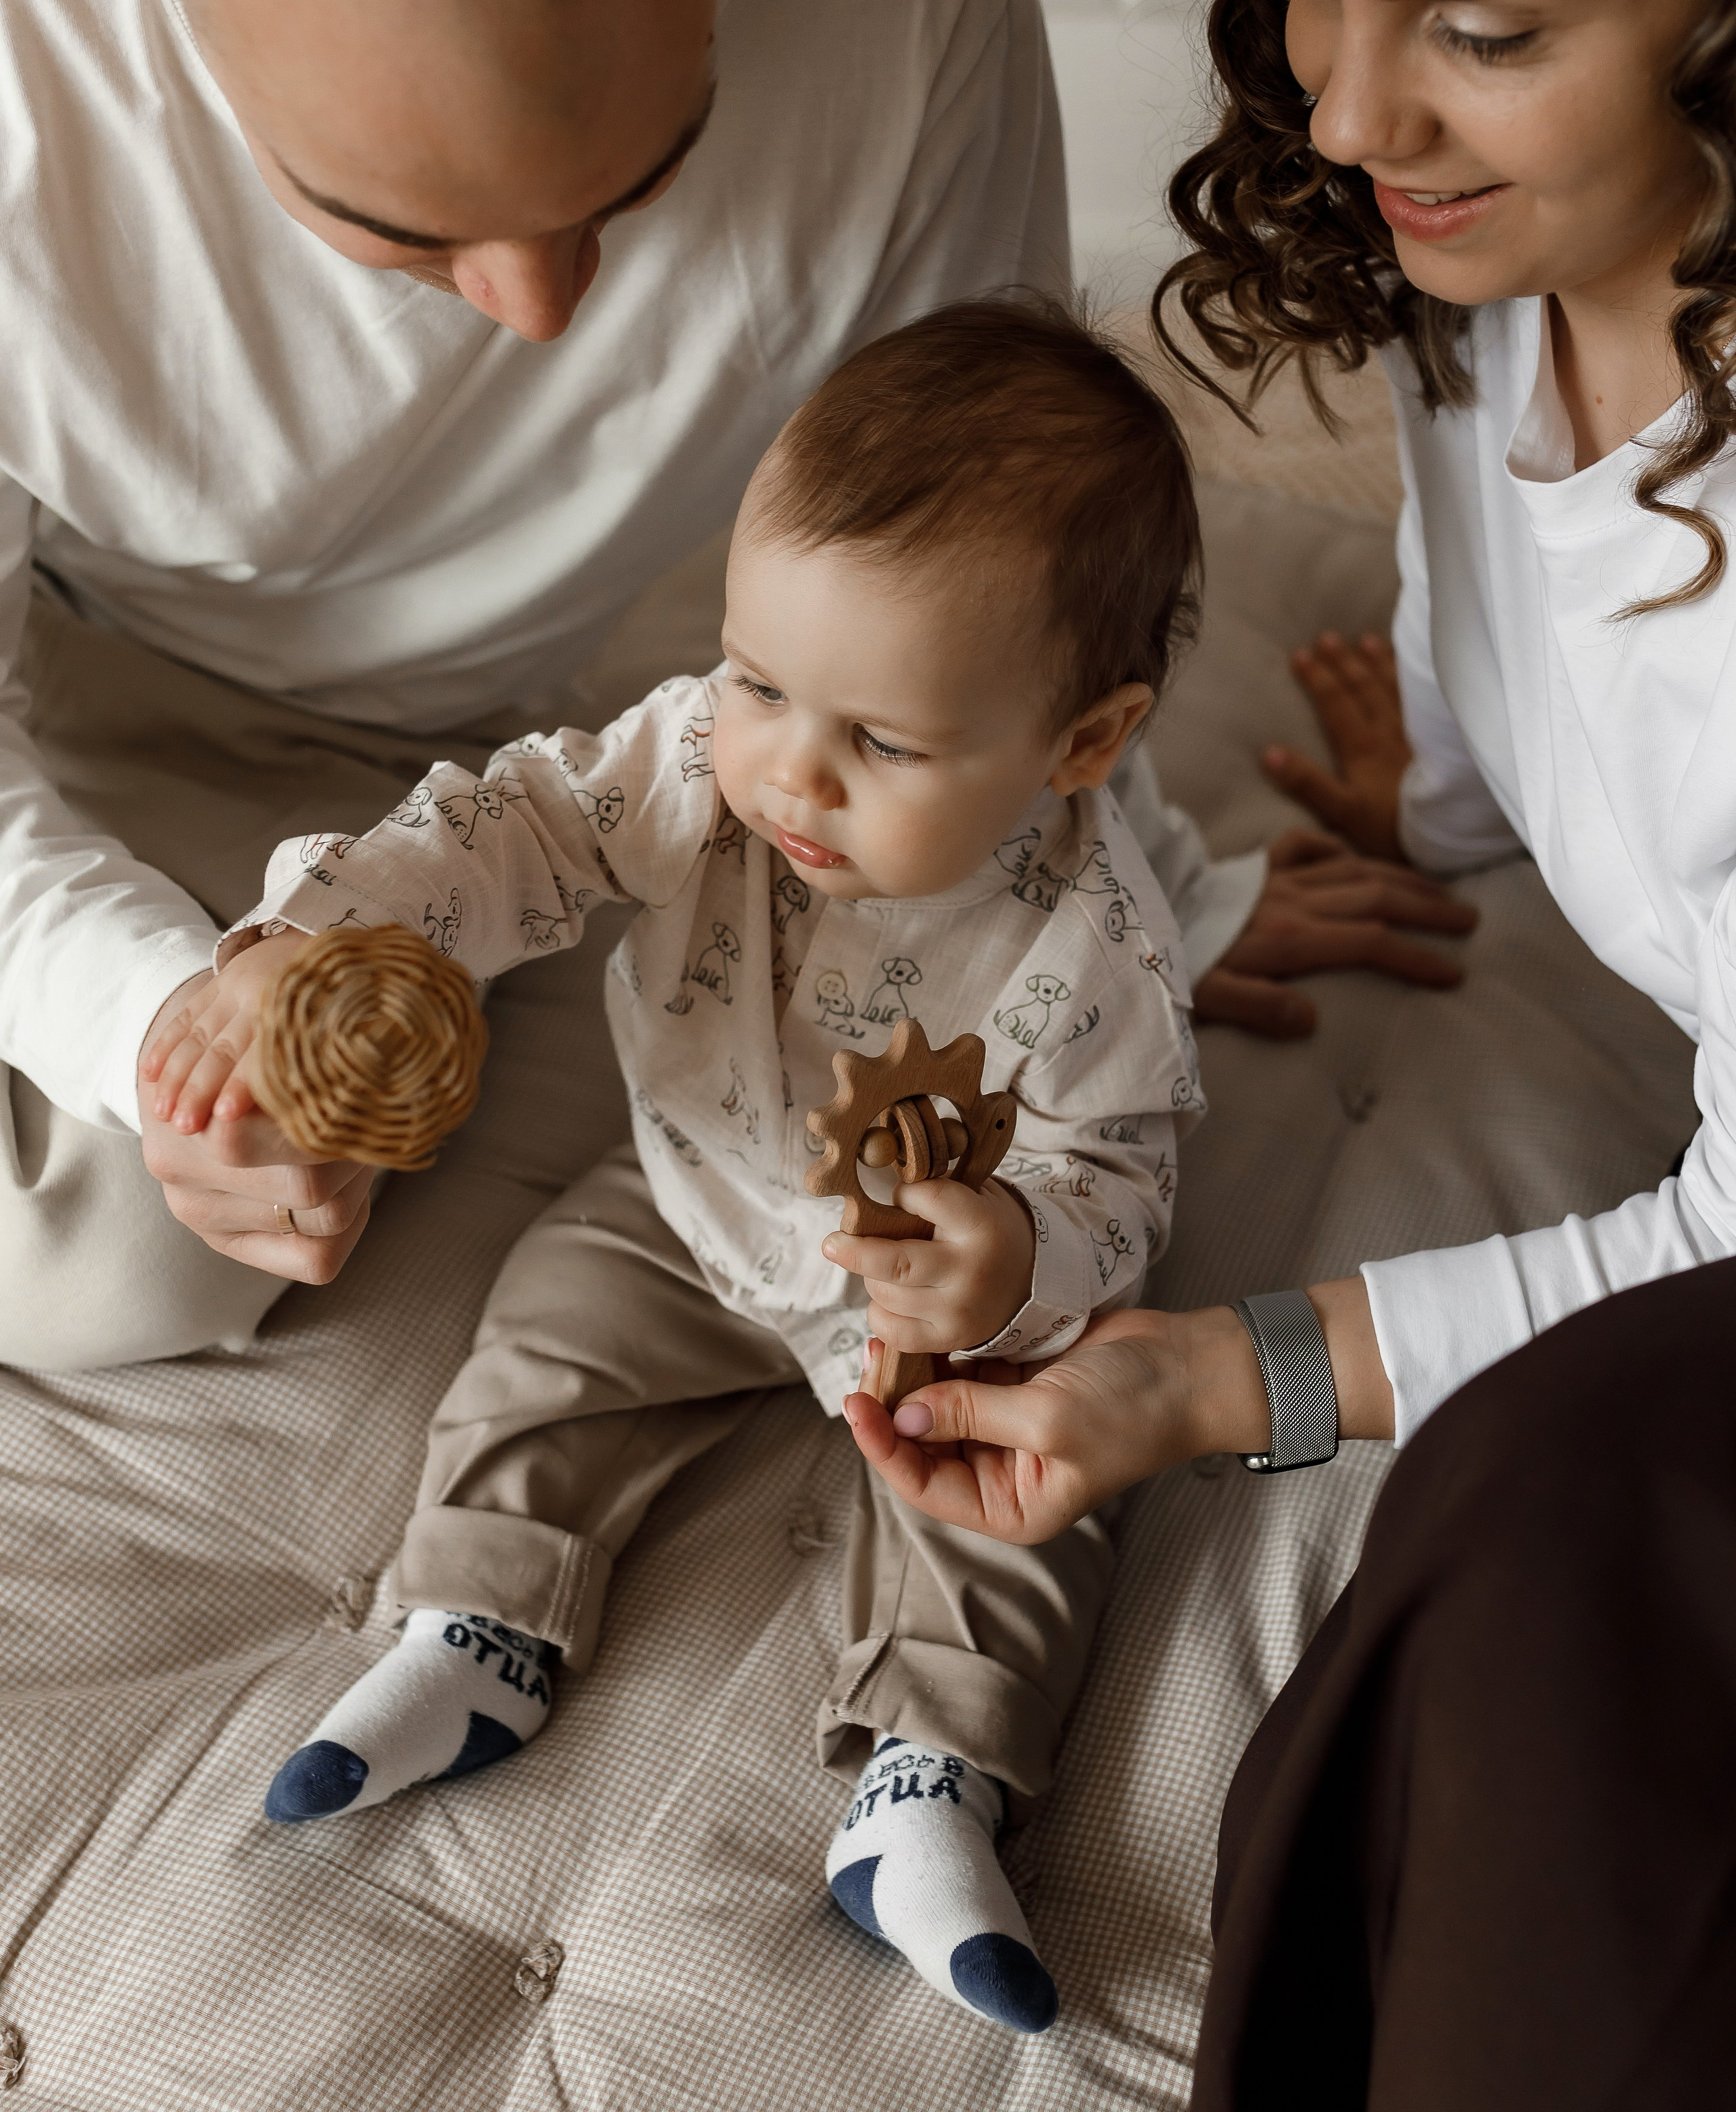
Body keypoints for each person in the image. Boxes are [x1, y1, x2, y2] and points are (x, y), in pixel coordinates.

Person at [0, 0, 1472, 1373]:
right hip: (80, 679)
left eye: (648, 166)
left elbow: (992, 563)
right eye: (391, 225)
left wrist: (1149, 890)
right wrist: (156, 1025)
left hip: (590, 713)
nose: (542, 313)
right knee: (125, 1263)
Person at [839, 0, 1736, 2092]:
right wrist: (1430, 789)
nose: (1342, 112)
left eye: (1486, 25)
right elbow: (1512, 627)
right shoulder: (1501, 278)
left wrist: (1198, 1377)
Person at [146, 298, 1210, 2035]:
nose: (789, 764)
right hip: (697, 1200)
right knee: (545, 1333)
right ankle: (474, 1627)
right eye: (759, 679)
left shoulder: (1091, 948)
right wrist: (307, 934)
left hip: (939, 1313)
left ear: (1077, 744)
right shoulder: (698, 772)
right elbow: (512, 829)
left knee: (1033, 1503)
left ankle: (927, 1783)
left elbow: (1122, 1170)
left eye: (880, 741)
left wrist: (1018, 1256)